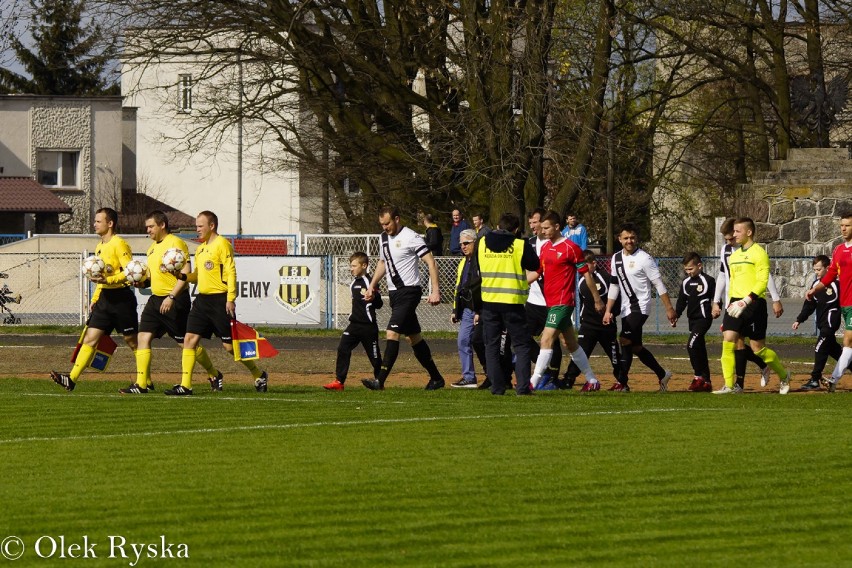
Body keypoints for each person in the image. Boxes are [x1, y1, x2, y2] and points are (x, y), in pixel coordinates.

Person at [165, 210, 269, 395]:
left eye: (200, 226)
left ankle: (258, 374)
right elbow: (197, 275)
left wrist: (230, 299)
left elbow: (231, 272)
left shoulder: (223, 245)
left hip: (220, 301)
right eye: (196, 226)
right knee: (189, 340)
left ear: (211, 226)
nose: (197, 229)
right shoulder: (201, 249)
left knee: (230, 347)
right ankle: (185, 386)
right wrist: (181, 275)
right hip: (202, 301)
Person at [119, 210, 220, 394]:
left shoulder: (175, 243)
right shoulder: (151, 249)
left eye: (151, 226)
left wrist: (172, 297)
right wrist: (140, 281)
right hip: (155, 300)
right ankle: (141, 384)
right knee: (143, 337)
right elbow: (151, 279)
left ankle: (214, 374)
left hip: (175, 301)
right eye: (147, 227)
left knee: (186, 344)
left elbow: (186, 274)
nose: (147, 230)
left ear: (162, 225)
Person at [51, 208, 138, 391]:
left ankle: (144, 381)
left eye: (98, 221)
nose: (95, 224)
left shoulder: (119, 244)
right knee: (90, 338)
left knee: (133, 342)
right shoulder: (100, 246)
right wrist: (96, 297)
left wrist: (109, 280)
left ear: (110, 223)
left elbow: (130, 273)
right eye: (95, 221)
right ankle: (71, 379)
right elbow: (100, 278)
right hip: (105, 299)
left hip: (122, 299)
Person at [362, 206, 445, 390]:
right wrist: (372, 285)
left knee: (392, 332)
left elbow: (430, 262)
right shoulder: (383, 238)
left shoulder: (411, 237)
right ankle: (436, 378)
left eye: (388, 223)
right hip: (395, 294)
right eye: (382, 224)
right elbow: (383, 263)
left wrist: (435, 290)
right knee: (413, 338)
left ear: (397, 219)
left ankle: (380, 380)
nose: (385, 227)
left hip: (409, 292)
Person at [528, 211, 604, 391]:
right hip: (551, 302)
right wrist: (519, 283)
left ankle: (532, 383)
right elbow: (537, 272)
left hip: (563, 302)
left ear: (556, 227)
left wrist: (597, 299)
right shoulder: (545, 247)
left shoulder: (571, 248)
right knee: (570, 343)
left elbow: (586, 274)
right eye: (542, 227)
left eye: (546, 227)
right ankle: (592, 381)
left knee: (546, 340)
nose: (543, 230)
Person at [715, 217, 791, 394]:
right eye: (733, 231)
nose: (734, 235)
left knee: (758, 349)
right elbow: (732, 282)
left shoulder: (759, 253)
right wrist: (730, 303)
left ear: (749, 232)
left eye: (737, 231)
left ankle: (783, 374)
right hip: (735, 303)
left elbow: (762, 281)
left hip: (754, 304)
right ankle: (729, 385)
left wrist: (747, 300)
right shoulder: (733, 256)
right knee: (728, 340)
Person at [603, 223, 676, 392]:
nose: (630, 241)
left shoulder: (644, 258)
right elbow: (614, 285)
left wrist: (669, 308)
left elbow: (658, 284)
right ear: (620, 239)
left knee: (624, 340)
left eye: (632, 237)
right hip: (626, 308)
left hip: (640, 307)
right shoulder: (616, 258)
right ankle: (662, 374)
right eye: (626, 238)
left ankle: (622, 382)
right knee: (635, 346)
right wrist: (608, 310)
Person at [475, 212, 539, 395]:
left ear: (497, 226)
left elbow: (478, 269)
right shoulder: (519, 245)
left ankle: (497, 387)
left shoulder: (482, 244)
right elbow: (534, 264)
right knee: (521, 345)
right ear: (516, 229)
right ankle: (522, 388)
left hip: (489, 302)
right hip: (512, 303)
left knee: (492, 346)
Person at [561, 250, 620, 389]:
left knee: (614, 355)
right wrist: (582, 318)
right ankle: (569, 379)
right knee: (580, 351)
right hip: (588, 325)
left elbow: (616, 298)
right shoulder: (581, 279)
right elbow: (582, 302)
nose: (581, 268)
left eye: (585, 265)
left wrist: (612, 312)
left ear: (594, 263)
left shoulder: (605, 277)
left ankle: (622, 380)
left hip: (606, 325)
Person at [324, 252, 383, 391]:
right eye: (351, 266)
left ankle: (380, 382)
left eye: (354, 266)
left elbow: (379, 304)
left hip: (368, 326)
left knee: (375, 358)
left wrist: (373, 298)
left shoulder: (370, 282)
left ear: (364, 265)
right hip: (354, 325)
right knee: (343, 348)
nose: (351, 268)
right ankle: (339, 382)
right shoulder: (353, 284)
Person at [808, 211, 852, 392]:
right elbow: (832, 273)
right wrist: (815, 289)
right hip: (846, 304)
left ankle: (833, 379)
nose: (843, 228)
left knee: (848, 341)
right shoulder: (839, 249)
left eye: (847, 225)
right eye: (841, 225)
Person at [793, 254, 849, 391]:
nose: (816, 273)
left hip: (829, 325)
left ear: (827, 268)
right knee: (835, 351)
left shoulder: (836, 284)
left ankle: (814, 379)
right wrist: (799, 319)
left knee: (819, 348)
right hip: (822, 324)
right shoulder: (815, 286)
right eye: (815, 270)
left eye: (819, 269)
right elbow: (809, 305)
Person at [525, 207, 562, 389]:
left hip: (552, 302)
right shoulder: (530, 243)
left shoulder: (557, 244)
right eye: (530, 223)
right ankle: (544, 371)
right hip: (533, 301)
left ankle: (553, 378)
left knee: (556, 340)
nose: (533, 226)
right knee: (522, 335)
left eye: (536, 222)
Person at [673, 252, 715, 392]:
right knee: (700, 349)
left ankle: (698, 377)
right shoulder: (686, 283)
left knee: (691, 345)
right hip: (692, 320)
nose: (688, 272)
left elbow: (716, 298)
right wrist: (676, 315)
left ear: (699, 266)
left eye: (690, 269)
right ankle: (707, 382)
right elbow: (681, 302)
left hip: (704, 319)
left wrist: (717, 307)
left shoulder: (708, 280)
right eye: (686, 270)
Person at [450, 229, 481, 388]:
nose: (463, 246)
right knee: (463, 340)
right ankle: (469, 377)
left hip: (480, 309)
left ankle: (499, 375)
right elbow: (458, 287)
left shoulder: (481, 260)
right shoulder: (463, 262)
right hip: (467, 309)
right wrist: (456, 309)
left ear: (475, 242)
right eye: (461, 243)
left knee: (485, 342)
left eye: (466, 243)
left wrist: (480, 311)